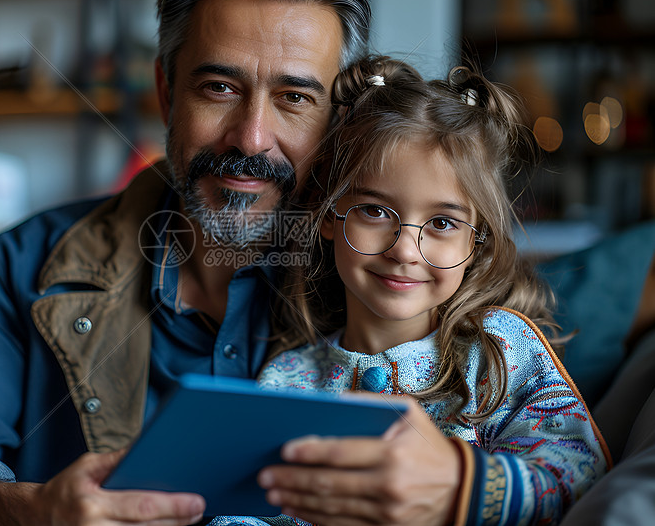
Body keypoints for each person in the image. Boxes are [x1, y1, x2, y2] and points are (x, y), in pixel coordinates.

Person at [0, 0, 371, 524]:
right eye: (219, 87)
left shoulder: (383, 273)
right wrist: (32, 511)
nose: (251, 139)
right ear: (166, 91)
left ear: (338, 119)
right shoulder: (27, 263)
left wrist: (465, 482)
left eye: (295, 98)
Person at [248, 56, 611, 525]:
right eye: (375, 212)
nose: (405, 250)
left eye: (442, 223)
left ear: (476, 240)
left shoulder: (500, 353)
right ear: (327, 214)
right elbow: (245, 510)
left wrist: (462, 487)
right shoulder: (287, 383)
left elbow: (578, 476)